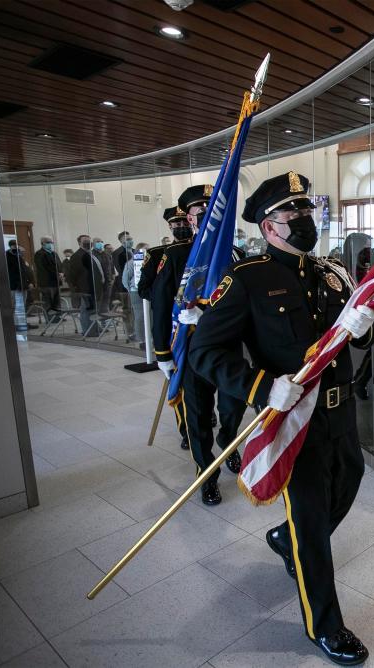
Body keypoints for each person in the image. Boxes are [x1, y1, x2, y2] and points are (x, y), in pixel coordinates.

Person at [188, 171, 374, 665]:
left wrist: (361, 330)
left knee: (348, 485)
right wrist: (261, 385)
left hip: (341, 414)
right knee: (311, 522)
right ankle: (325, 627)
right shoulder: (248, 279)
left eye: (306, 209)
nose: (304, 218)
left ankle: (282, 538)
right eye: (291, 212)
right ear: (269, 227)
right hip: (293, 420)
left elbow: (357, 340)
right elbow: (204, 352)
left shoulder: (333, 273)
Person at [152, 185, 246, 505]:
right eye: (199, 211)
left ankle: (229, 443)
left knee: (233, 407)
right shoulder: (176, 255)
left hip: (229, 347)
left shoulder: (235, 255)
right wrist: (163, 352)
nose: (206, 215)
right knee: (199, 415)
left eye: (212, 208)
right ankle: (206, 472)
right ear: (189, 219)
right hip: (192, 350)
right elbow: (162, 305)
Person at [141, 207, 191, 450]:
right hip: (174, 325)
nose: (182, 225)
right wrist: (169, 300)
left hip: (200, 323)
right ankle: (186, 430)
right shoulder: (158, 254)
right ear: (169, 226)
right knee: (180, 382)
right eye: (177, 222)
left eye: (185, 221)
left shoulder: (202, 251)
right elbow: (145, 288)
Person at [68, 235, 103, 337]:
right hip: (85, 288)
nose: (88, 243)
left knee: (92, 309)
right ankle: (88, 331)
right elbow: (72, 275)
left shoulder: (90, 254)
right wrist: (77, 289)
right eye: (85, 241)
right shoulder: (77, 256)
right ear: (79, 243)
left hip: (94, 287)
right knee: (86, 310)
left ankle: (94, 328)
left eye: (89, 241)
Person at [5, 241, 36, 333]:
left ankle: (22, 323)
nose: (17, 248)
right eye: (14, 246)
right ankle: (17, 324)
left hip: (23, 285)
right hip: (15, 286)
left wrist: (29, 282)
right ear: (10, 247)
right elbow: (14, 272)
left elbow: (24, 271)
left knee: (22, 306)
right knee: (16, 306)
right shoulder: (7, 257)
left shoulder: (19, 256)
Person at [121, 242, 147, 345]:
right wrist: (131, 289)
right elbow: (125, 280)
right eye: (145, 249)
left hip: (147, 291)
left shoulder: (150, 261)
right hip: (136, 292)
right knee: (140, 316)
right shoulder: (131, 263)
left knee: (150, 315)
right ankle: (141, 339)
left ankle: (150, 337)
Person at [33, 236, 62, 322]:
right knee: (48, 301)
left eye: (51, 242)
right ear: (43, 243)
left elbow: (59, 264)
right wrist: (57, 273)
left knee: (56, 301)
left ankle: (57, 317)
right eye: (48, 242)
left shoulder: (54, 253)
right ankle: (50, 318)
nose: (51, 244)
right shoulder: (39, 254)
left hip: (56, 281)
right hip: (46, 282)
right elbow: (44, 268)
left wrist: (61, 273)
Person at [113, 231, 135, 338]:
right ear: (121, 241)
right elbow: (121, 271)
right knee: (127, 311)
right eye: (127, 240)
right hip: (124, 287)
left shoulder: (135, 251)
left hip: (136, 287)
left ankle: (137, 330)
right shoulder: (117, 253)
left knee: (135, 310)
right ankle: (130, 332)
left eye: (131, 239)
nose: (130, 241)